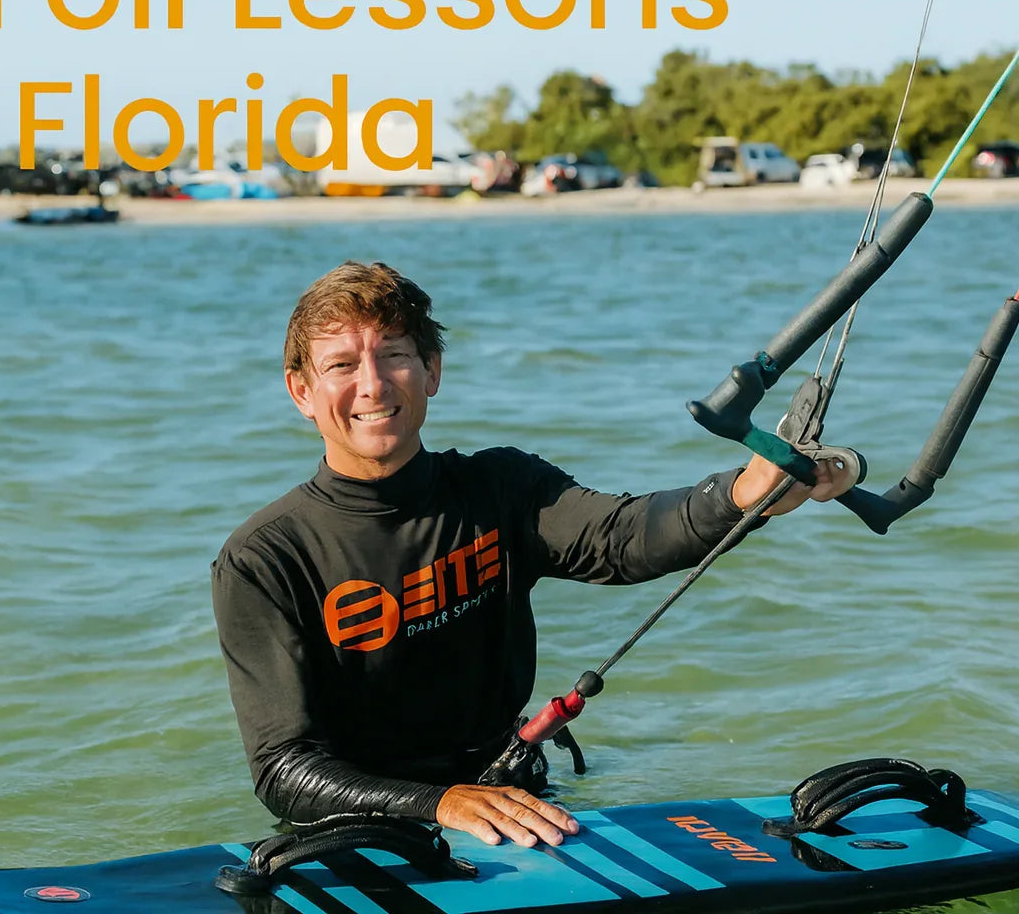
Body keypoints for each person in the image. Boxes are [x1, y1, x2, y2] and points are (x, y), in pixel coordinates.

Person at [210, 261, 855, 850]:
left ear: (432, 370)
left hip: (522, 798)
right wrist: (442, 805)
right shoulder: (265, 558)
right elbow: (282, 769)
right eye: (342, 365)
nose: (373, 385)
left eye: (395, 355)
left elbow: (623, 537)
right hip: (360, 833)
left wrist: (743, 494)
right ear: (301, 391)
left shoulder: (499, 488)